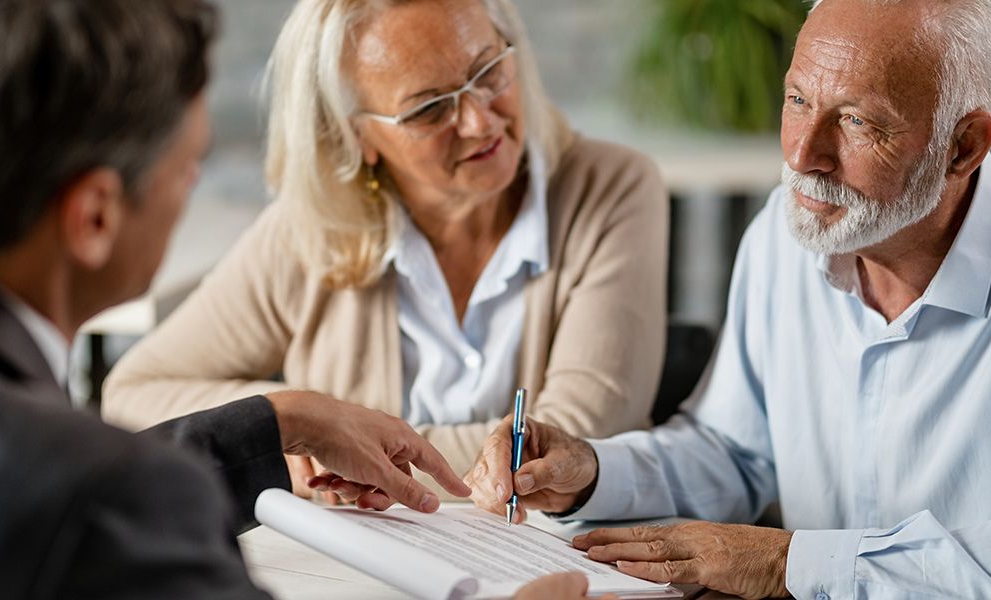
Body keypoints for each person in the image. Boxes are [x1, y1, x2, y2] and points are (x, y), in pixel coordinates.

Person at [465, 0, 991, 598]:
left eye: (857, 121)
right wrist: (590, 471)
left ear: (964, 145)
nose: (804, 154)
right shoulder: (784, 239)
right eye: (798, 100)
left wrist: (792, 564)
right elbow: (735, 452)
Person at [0, 1, 584, 598]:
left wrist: (283, 419)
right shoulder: (109, 499)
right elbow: (98, 493)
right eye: (190, 168)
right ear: (95, 217)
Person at [100, 0, 668, 499]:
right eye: (429, 108)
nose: (479, 121)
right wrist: (293, 420)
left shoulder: (613, 188)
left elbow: (572, 445)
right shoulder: (309, 229)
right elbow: (132, 393)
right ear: (356, 136)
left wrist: (345, 449)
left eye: (489, 71)